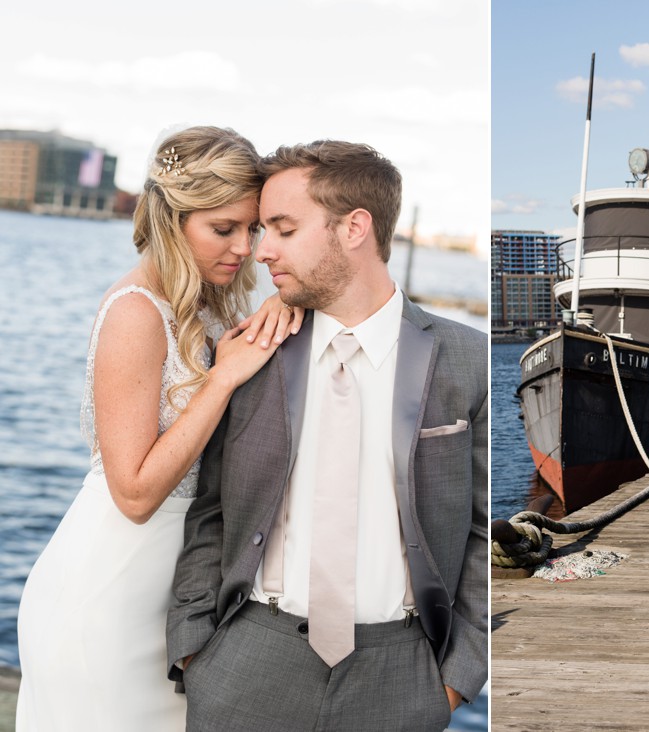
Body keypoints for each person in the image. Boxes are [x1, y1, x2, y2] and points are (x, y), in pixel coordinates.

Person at [166, 140, 488, 731]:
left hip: (401, 676)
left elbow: (481, 531)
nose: (261, 252)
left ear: (355, 228)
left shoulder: (468, 359)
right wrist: (196, 653)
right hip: (246, 664)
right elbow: (209, 511)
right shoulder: (248, 353)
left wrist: (456, 679)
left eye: (283, 230)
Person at [16, 126, 302, 731]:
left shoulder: (200, 309)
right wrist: (224, 379)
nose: (244, 248)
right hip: (107, 597)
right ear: (172, 220)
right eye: (223, 230)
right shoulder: (135, 314)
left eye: (252, 229)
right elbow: (136, 493)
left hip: (172, 599)